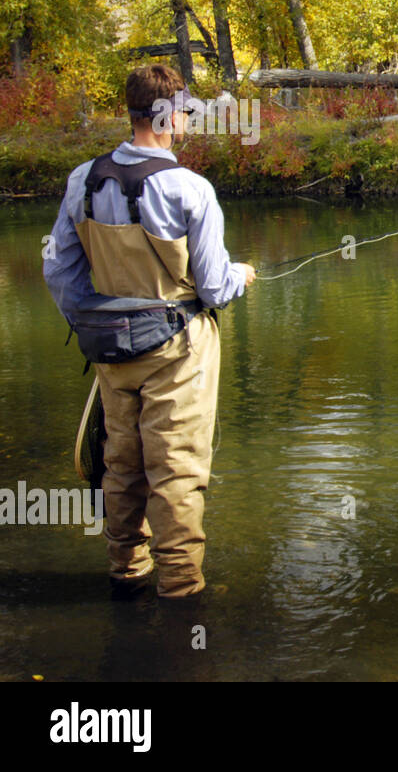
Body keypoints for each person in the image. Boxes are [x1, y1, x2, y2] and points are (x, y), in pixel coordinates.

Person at [44, 64, 256, 599]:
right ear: (167, 115)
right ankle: (182, 593)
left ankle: (127, 571)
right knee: (177, 470)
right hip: (178, 349)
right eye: (186, 110)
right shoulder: (191, 189)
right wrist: (242, 277)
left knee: (121, 464)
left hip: (110, 351)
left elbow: (59, 271)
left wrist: (93, 326)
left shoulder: (82, 180)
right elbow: (211, 287)